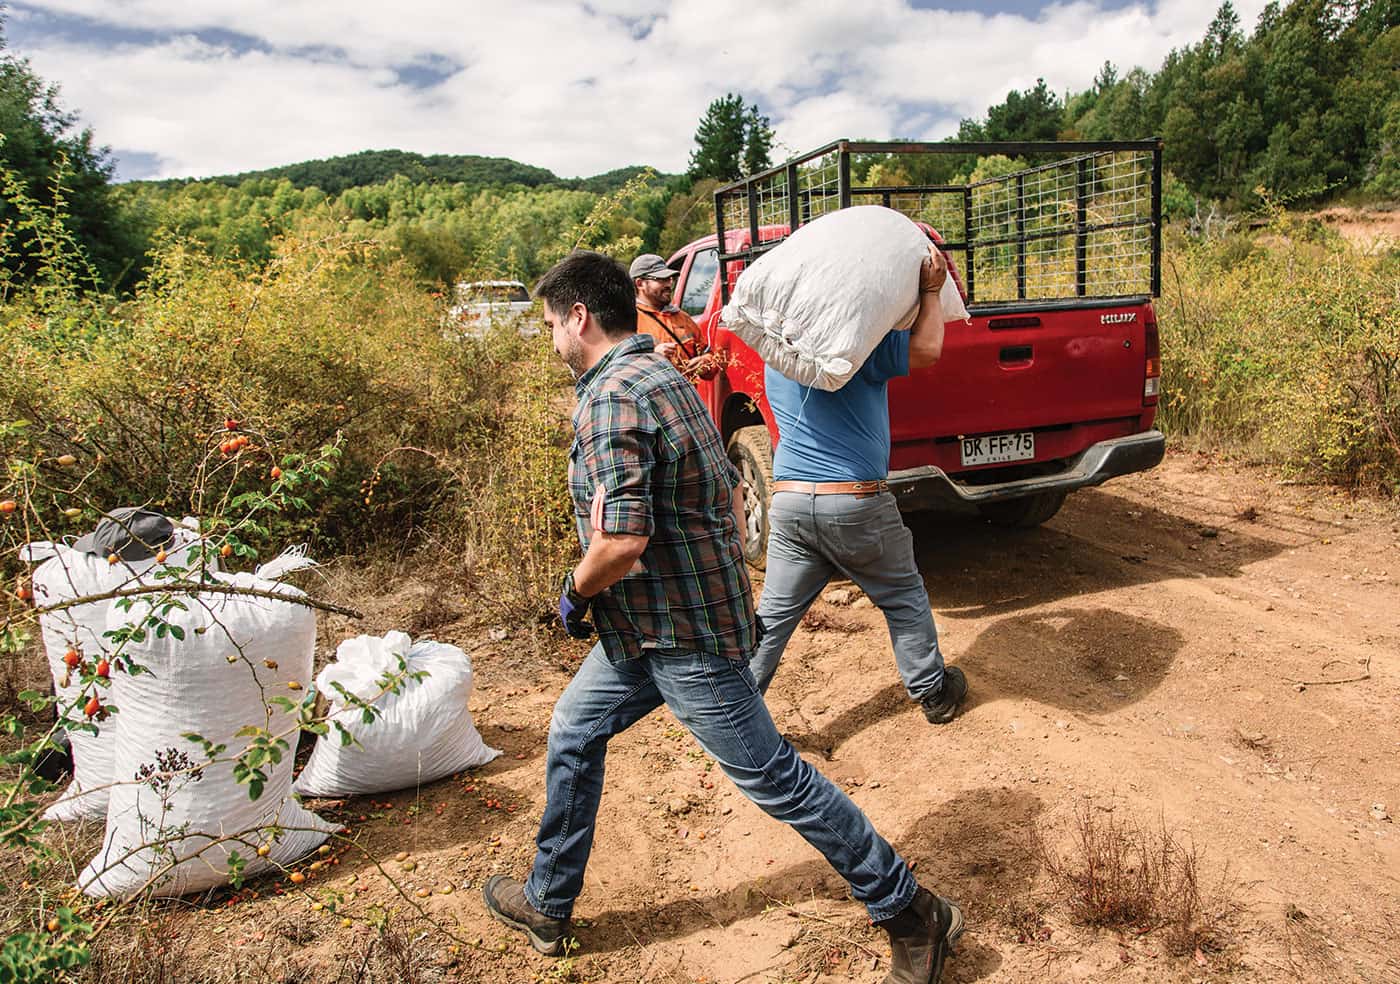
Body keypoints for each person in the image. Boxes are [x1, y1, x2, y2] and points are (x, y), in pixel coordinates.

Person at [481, 250, 964, 984]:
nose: (551, 339)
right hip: (646, 626)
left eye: (551, 323)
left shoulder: (612, 396)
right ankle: (549, 900)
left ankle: (911, 910)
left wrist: (575, 592)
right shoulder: (658, 375)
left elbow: (621, 539)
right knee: (575, 730)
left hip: (681, 633)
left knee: (775, 777)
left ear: (579, 316)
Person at [749, 245, 968, 726]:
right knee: (902, 596)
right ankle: (933, 692)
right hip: (853, 504)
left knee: (773, 618)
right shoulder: (856, 346)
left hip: (788, 503)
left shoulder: (776, 356)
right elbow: (929, 348)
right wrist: (930, 291)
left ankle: (736, 712)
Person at [630, 252, 719, 381]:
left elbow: (710, 356)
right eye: (661, 280)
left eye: (669, 279)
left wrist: (705, 363)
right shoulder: (627, 320)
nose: (668, 284)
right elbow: (618, 368)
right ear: (640, 283)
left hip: (685, 399)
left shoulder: (683, 318)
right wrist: (653, 356)